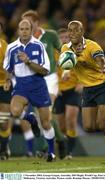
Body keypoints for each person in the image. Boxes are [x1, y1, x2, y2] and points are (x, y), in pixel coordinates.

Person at [60, 20, 105, 164]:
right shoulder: (65, 48)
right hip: (88, 89)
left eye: (76, 30)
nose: (72, 33)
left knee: (102, 123)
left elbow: (100, 59)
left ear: (82, 32)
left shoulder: (92, 45)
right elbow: (67, 64)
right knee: (89, 126)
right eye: (70, 30)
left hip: (104, 86)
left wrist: (104, 67)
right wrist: (72, 62)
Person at [3, 19, 55, 162]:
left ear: (31, 30)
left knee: (45, 123)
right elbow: (8, 68)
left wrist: (28, 62)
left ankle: (51, 152)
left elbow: (45, 70)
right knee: (15, 111)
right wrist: (8, 80)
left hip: (38, 85)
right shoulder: (12, 47)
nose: (24, 31)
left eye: (27, 29)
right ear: (18, 30)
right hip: (21, 86)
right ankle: (30, 118)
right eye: (21, 29)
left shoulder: (39, 46)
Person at [21, 10, 66, 159]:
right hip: (34, 81)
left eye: (28, 22)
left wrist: (68, 67)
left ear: (36, 23)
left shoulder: (51, 35)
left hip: (50, 78)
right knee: (42, 117)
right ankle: (61, 140)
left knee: (47, 111)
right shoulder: (23, 40)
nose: (26, 26)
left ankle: (46, 148)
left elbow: (62, 50)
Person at [53, 28, 82, 159]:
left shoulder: (77, 52)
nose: (64, 40)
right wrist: (54, 87)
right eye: (62, 38)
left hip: (73, 90)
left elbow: (84, 68)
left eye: (66, 37)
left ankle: (70, 152)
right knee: (61, 126)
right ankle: (63, 149)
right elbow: (50, 72)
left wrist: (81, 83)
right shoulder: (53, 53)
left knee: (71, 119)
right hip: (58, 91)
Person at [0, 22, 11, 160]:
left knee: (3, 121)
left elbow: (9, 67)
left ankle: (3, 148)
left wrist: (8, 81)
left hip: (3, 85)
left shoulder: (6, 47)